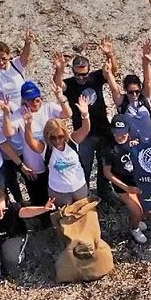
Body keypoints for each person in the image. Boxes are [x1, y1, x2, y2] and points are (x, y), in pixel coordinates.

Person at [53, 41, 117, 199]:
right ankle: (85, 193)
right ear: (73, 71)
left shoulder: (95, 77)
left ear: (89, 70)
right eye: (77, 74)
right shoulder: (70, 84)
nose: (81, 78)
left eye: (84, 74)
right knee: (84, 166)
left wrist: (109, 55)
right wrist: (59, 69)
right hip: (84, 134)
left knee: (105, 165)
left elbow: (112, 72)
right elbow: (57, 85)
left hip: (103, 130)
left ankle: (105, 192)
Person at [0, 190, 55, 280]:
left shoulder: (12, 209)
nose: (1, 215)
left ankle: (16, 254)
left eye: (4, 210)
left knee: (10, 261)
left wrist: (44, 209)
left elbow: (25, 211)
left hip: (13, 236)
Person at [17, 81, 72, 211]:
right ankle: (42, 219)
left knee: (54, 190)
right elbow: (8, 133)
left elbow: (68, 114)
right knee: (38, 194)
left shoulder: (49, 107)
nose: (35, 103)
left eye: (37, 99)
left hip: (52, 158)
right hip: (33, 161)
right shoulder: (19, 113)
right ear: (24, 101)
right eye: (30, 101)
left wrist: (60, 98)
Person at [103, 115, 150, 244]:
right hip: (121, 183)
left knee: (147, 208)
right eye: (116, 133)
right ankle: (134, 229)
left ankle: (138, 220)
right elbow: (107, 173)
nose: (119, 136)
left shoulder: (134, 140)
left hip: (136, 179)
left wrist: (138, 146)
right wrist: (126, 188)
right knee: (136, 210)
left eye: (122, 133)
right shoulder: (109, 149)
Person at [41, 96, 93, 206]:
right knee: (64, 218)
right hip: (59, 192)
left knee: (83, 215)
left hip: (79, 187)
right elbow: (30, 142)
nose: (57, 140)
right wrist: (27, 125)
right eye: (53, 138)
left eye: (60, 136)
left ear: (65, 134)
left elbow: (85, 129)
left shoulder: (72, 141)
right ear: (47, 137)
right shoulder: (46, 148)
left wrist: (85, 115)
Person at [104, 54, 151, 143]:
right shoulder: (123, 102)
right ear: (126, 90)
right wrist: (109, 73)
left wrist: (146, 62)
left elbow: (147, 80)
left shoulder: (144, 98)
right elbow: (114, 89)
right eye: (130, 92)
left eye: (137, 91)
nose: (134, 95)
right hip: (133, 144)